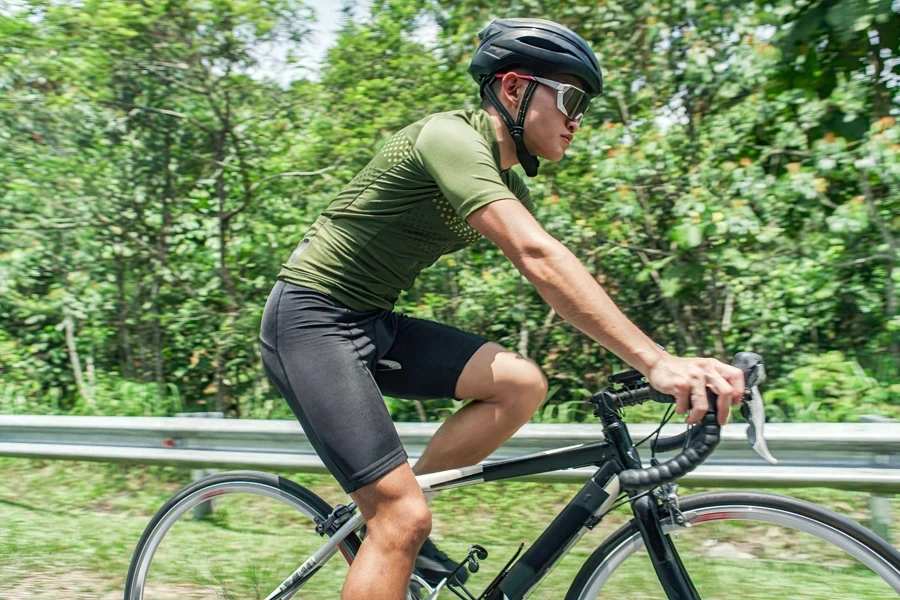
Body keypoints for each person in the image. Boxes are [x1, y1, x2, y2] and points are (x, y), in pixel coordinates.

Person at [258, 17, 746, 600]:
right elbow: (537, 254)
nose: (576, 119)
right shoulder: (448, 136)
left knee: (519, 384)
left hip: (373, 320)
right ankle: (390, 520)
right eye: (569, 97)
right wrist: (656, 361)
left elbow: (549, 278)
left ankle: (378, 520)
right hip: (311, 320)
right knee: (403, 520)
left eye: (583, 106)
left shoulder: (510, 186)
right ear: (513, 89)